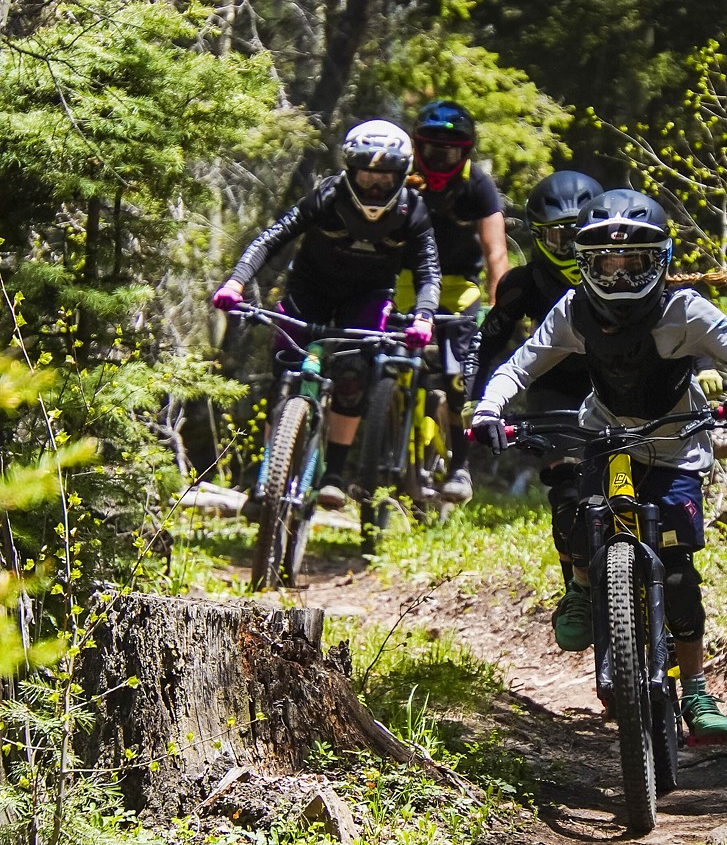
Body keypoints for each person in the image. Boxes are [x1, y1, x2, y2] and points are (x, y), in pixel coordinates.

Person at [470, 188, 727, 739]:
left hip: (676, 445)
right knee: (575, 514)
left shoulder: (685, 310)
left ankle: (696, 690)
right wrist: (490, 408)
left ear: (660, 260)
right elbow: (519, 366)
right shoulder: (574, 311)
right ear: (585, 264)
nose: (619, 276)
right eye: (606, 263)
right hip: (604, 435)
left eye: (633, 262)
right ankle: (584, 586)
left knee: (678, 573)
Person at [212, 120, 441, 510]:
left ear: (401, 176)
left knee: (353, 376)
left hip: (367, 298)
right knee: (285, 373)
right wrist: (235, 283)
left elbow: (428, 271)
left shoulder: (412, 210)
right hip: (309, 290)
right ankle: (268, 475)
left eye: (384, 180)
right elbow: (272, 238)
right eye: (366, 177)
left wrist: (424, 316)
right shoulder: (327, 197)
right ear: (350, 171)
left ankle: (333, 474)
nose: (374, 187)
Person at [472, 169, 605, 590]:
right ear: (538, 238)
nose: (569, 248)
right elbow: (487, 344)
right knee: (566, 496)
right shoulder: (523, 284)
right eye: (557, 238)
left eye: (578, 236)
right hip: (554, 390)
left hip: (621, 385)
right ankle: (577, 592)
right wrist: (477, 402)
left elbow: (675, 325)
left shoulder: (630, 269)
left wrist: (698, 368)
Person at [395, 99, 508, 504]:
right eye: (431, 149)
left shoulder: (477, 184)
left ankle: (460, 465)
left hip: (459, 290)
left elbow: (496, 251)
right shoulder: (401, 178)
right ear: (417, 147)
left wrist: (498, 307)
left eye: (450, 151)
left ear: (466, 151)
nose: (440, 158)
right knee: (383, 365)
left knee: (459, 377)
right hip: (405, 285)